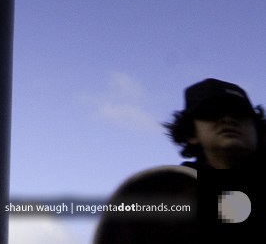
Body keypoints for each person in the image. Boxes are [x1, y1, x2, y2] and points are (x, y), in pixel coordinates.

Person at [96, 78, 266, 243]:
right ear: (192, 134)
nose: (228, 119)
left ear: (256, 128)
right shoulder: (163, 196)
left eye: (239, 113)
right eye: (212, 113)